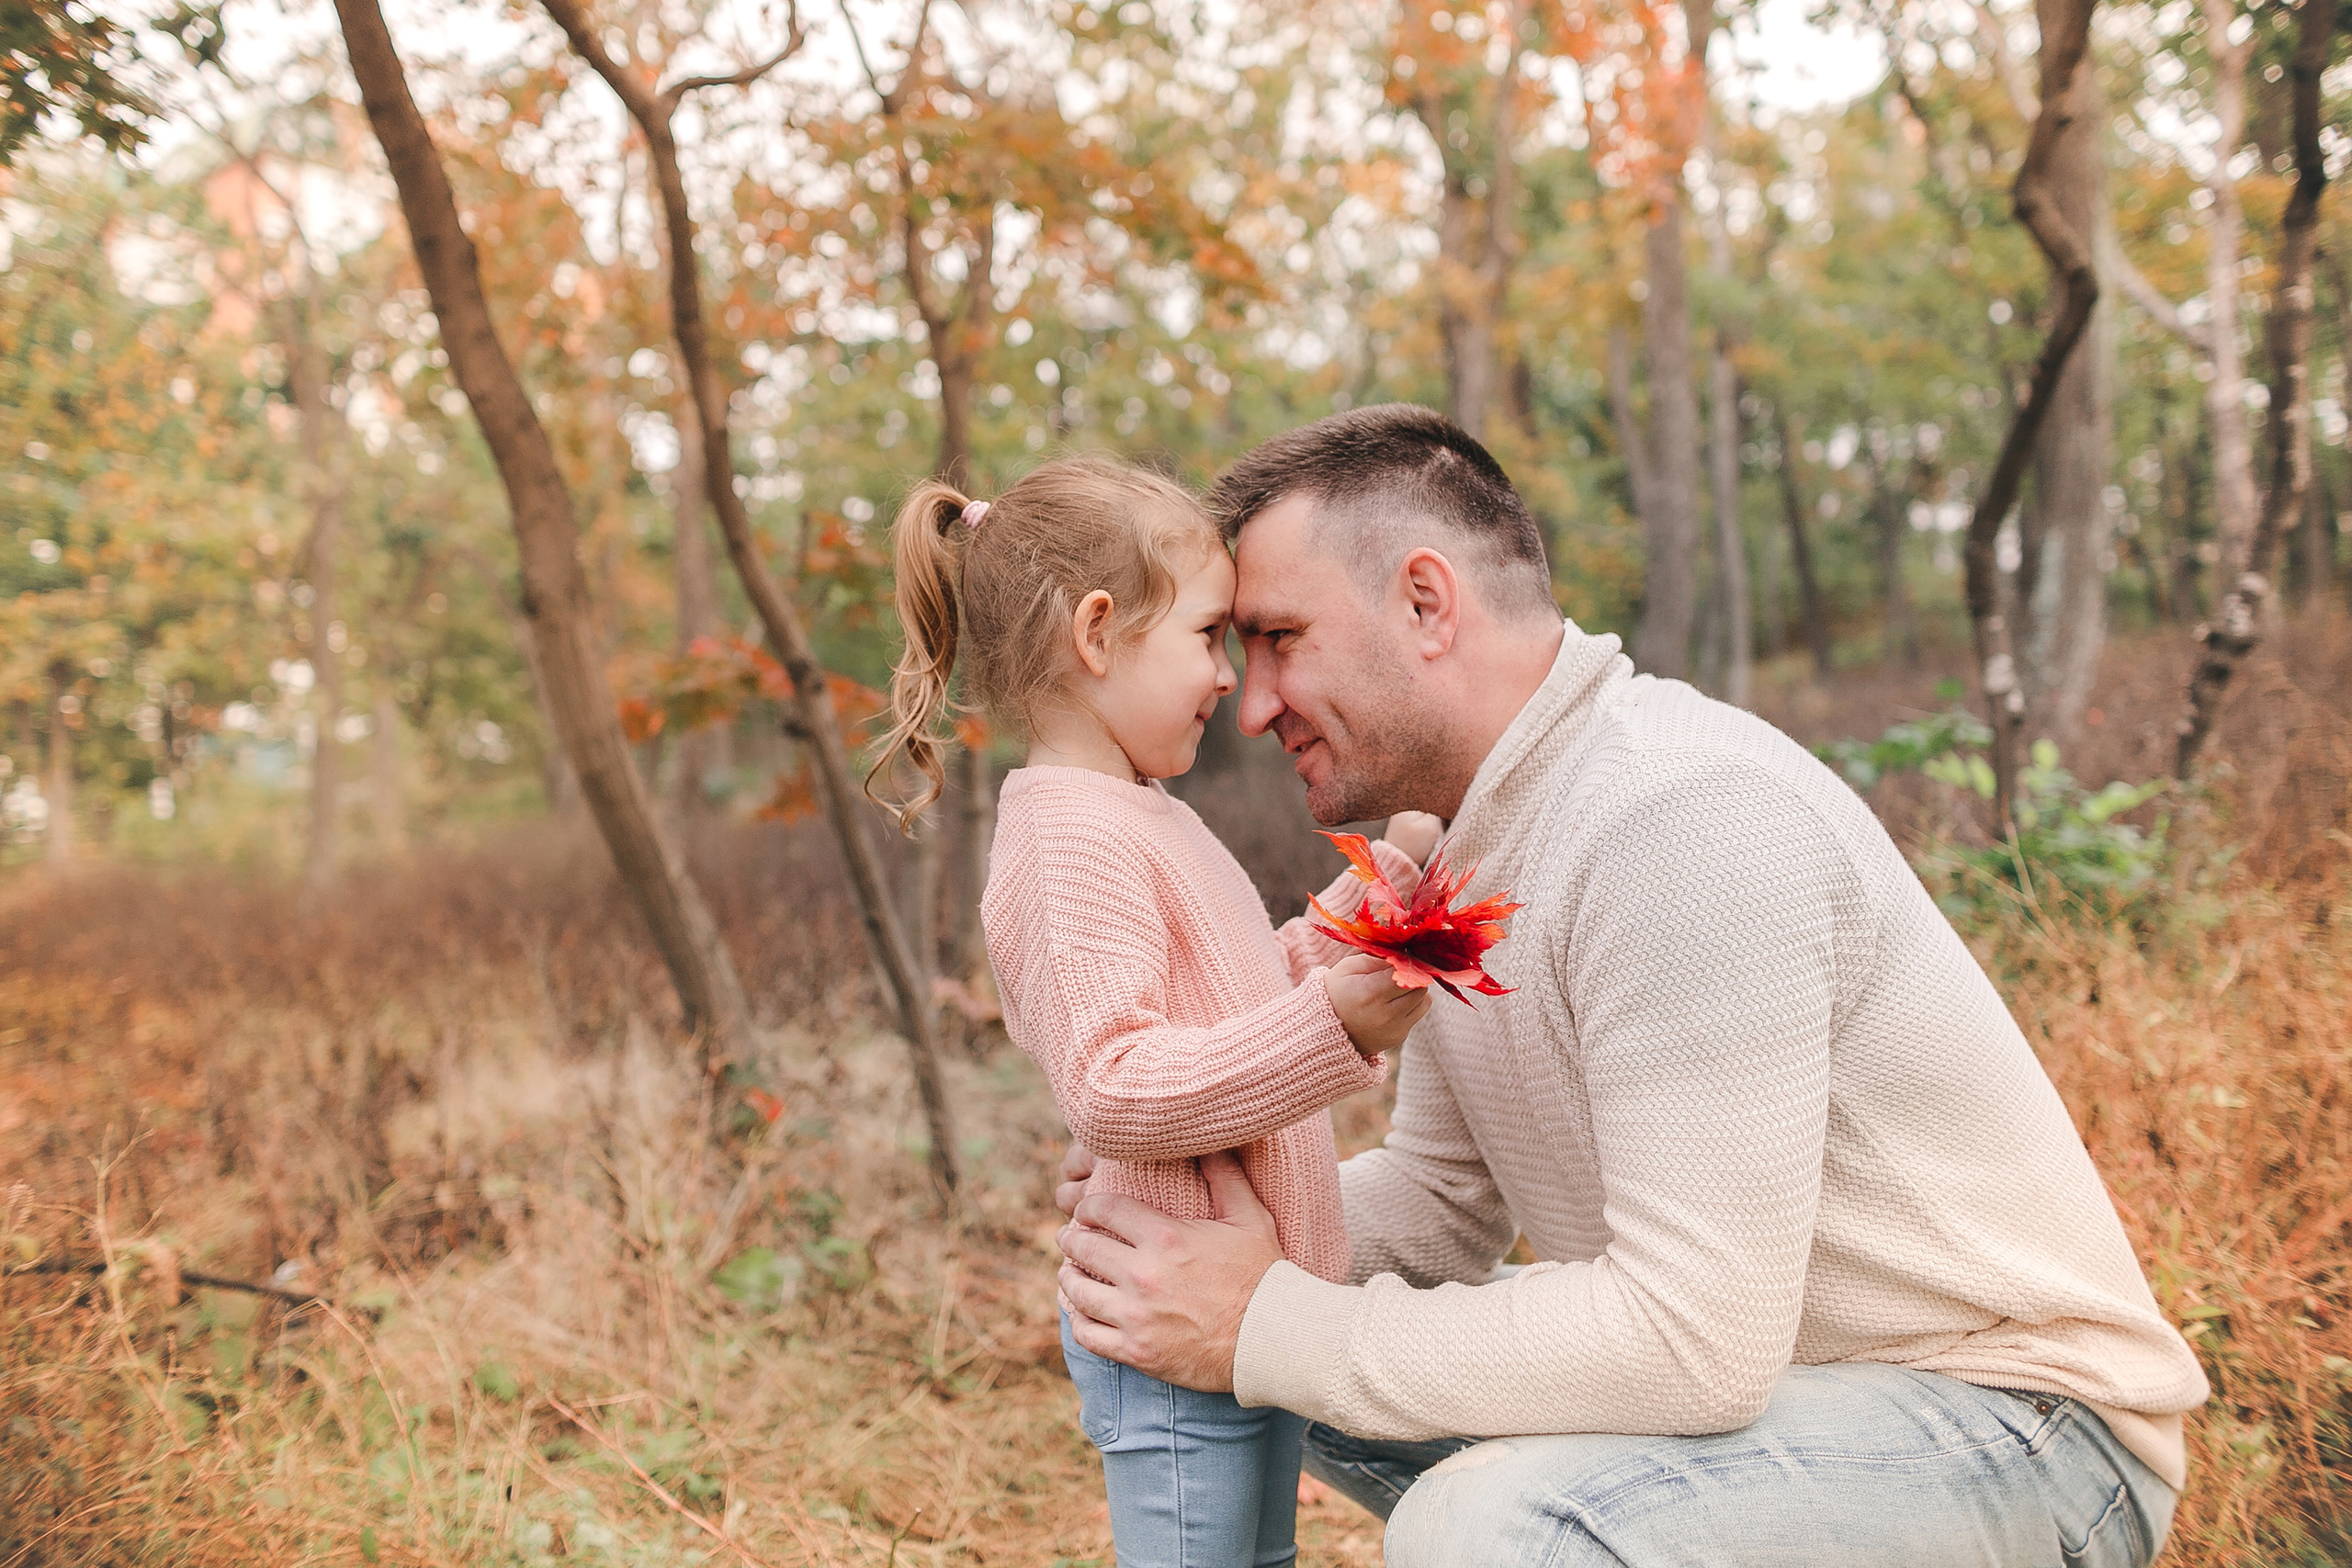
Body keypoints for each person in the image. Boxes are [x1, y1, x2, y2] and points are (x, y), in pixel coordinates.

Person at [1051, 405, 2211, 1568]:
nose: (1250, 705)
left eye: (1280, 638)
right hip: (1776, 1399)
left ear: (1424, 601)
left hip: (2019, 1424)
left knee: (1490, 1528)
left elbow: (1689, 1339)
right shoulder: (1475, 838)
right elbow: (1445, 1200)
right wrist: (1192, 1228)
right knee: (1202, 1333)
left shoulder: (1676, 818)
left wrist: (1266, 1320)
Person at [869, 455, 1441, 1568]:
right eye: (1207, 636)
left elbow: (1236, 992)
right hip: (1166, 1316)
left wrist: (1363, 916)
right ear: (1096, 634)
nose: (1231, 677)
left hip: (1238, 1295)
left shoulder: (1139, 812)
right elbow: (1117, 1084)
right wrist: (1339, 1029)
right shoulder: (1069, 838)